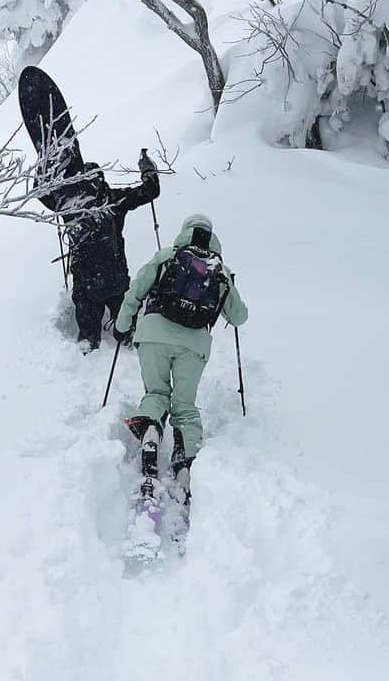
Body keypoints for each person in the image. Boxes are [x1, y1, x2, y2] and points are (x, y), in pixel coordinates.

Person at [114, 213, 247, 520]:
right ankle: (184, 465)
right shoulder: (220, 270)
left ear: (184, 230)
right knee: (184, 406)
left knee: (156, 391)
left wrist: (123, 324)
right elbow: (238, 317)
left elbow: (136, 289)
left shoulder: (167, 257)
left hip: (154, 334)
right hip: (194, 345)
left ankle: (150, 433)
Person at [41, 152, 160, 352]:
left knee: (88, 338)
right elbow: (151, 191)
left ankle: (85, 358)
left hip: (85, 280)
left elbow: (41, 192)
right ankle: (130, 346)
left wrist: (53, 170)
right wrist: (147, 170)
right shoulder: (114, 199)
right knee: (126, 325)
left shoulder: (68, 205)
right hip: (115, 275)